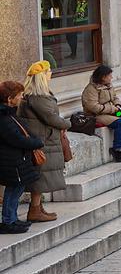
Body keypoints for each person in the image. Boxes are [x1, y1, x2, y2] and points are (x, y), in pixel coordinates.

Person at [19, 62, 67, 223]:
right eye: (48, 71)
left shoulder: (31, 96)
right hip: (43, 141)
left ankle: (37, 208)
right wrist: (67, 124)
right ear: (42, 77)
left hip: (41, 139)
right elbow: (52, 118)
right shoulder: (39, 98)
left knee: (40, 176)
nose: (51, 73)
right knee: (40, 177)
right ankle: (34, 210)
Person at [0, 81, 44, 234]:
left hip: (17, 161)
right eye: (18, 95)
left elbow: (23, 131)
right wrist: (36, 142)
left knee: (17, 189)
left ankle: (12, 218)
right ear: (9, 98)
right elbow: (16, 139)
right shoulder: (3, 118)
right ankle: (7, 221)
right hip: (10, 162)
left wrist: (34, 140)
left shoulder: (9, 114)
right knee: (12, 191)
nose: (21, 98)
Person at [82, 64, 121, 162]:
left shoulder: (109, 85)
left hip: (110, 112)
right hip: (96, 115)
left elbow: (115, 97)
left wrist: (118, 106)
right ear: (103, 77)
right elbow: (93, 106)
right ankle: (116, 150)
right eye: (110, 76)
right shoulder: (91, 89)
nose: (111, 78)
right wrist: (112, 109)